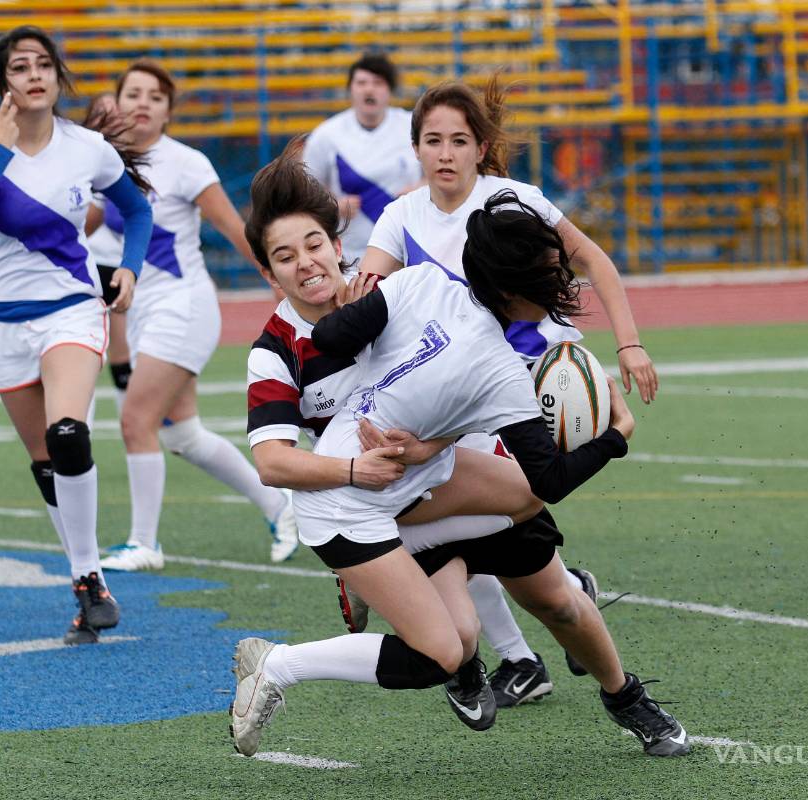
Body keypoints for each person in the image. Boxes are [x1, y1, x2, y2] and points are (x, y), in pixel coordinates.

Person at [231, 146, 690, 758]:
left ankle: (623, 692)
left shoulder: (400, 287)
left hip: (438, 467)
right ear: (269, 273)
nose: (306, 264)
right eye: (285, 257)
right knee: (454, 642)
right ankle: (379, 593)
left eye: (314, 244)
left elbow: (444, 386)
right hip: (376, 497)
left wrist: (429, 441)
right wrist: (356, 465)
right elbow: (276, 463)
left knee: (553, 584)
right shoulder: (278, 352)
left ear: (337, 242)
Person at [358, 75, 661, 698]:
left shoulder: (515, 201)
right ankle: (536, 639)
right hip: (469, 395)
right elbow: (365, 300)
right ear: (415, 148)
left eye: (459, 140)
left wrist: (628, 344)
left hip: (538, 381)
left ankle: (537, 639)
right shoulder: (399, 216)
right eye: (433, 140)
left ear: (480, 148)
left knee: (508, 514)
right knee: (493, 520)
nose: (445, 153)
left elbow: (594, 261)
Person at [0, 25, 153, 645]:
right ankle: (84, 588)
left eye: (43, 65)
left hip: (71, 307)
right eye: (19, 68)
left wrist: (131, 268)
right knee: (43, 465)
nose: (33, 76)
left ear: (59, 77)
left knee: (68, 436)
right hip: (0, 319)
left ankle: (89, 577)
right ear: (2, 83)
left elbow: (136, 210)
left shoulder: (86, 148)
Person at [85, 60, 300, 569]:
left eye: (154, 97)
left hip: (183, 307)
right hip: (143, 312)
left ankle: (145, 543)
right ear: (114, 104)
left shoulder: (186, 163)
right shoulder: (103, 162)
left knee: (136, 418)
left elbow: (235, 228)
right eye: (132, 94)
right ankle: (280, 505)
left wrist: (279, 284)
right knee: (181, 434)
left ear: (168, 112)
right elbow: (78, 221)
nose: (142, 103)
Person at [302, 53, 422, 264]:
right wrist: (332, 206)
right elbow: (303, 192)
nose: (369, 89)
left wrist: (422, 190)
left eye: (378, 83)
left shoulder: (413, 125)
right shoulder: (326, 135)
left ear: (389, 90)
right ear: (350, 89)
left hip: (408, 248)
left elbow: (443, 174)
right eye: (361, 82)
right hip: (350, 254)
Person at [81, 92, 133, 411]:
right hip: (86, 264)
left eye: (116, 114)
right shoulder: (79, 159)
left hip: (120, 266)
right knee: (81, 349)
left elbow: (126, 217)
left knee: (123, 346)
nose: (111, 120)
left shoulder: (131, 161)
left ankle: (131, 412)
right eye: (103, 114)